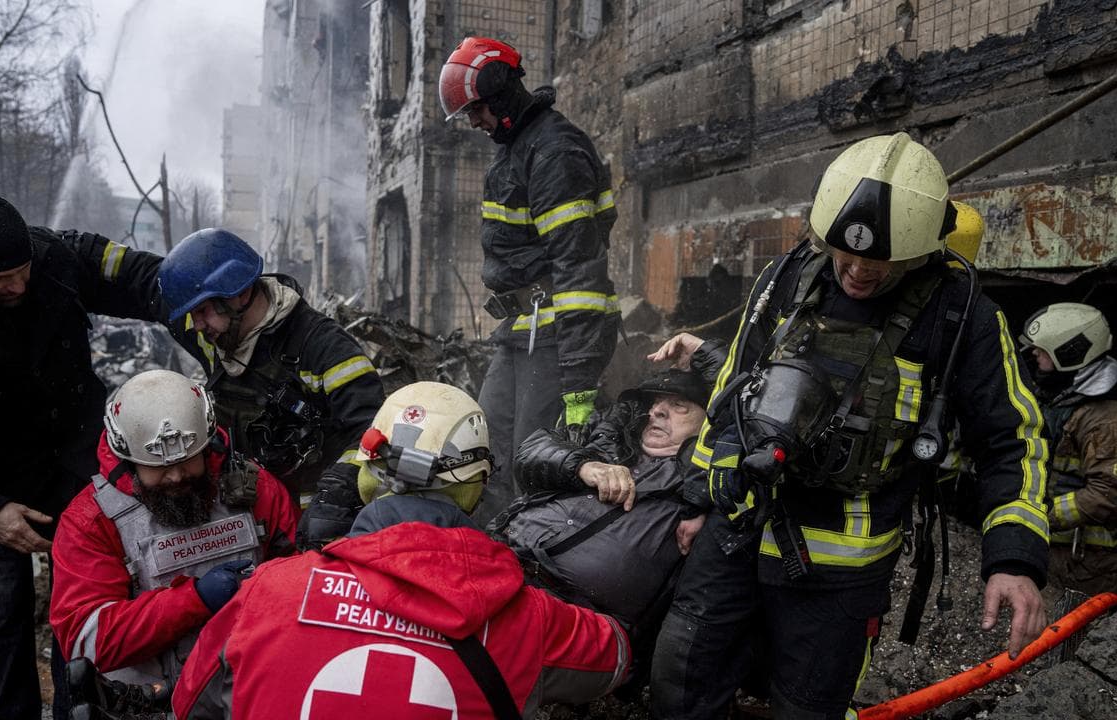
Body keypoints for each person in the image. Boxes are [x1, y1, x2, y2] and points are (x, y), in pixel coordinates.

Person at [649, 133, 1051, 719]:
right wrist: (699, 500)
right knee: (681, 681)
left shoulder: (962, 318)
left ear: (919, 248)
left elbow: (1011, 441)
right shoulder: (786, 277)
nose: (857, 270)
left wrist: (1013, 559)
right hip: (737, 534)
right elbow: (734, 392)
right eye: (844, 253)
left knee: (808, 707)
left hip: (839, 573)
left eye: (877, 260)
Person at [171, 382, 630, 719]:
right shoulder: (530, 617)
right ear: (477, 485)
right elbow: (616, 656)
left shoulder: (268, 591)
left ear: (366, 474)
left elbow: (190, 704)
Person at [66, 227, 386, 550]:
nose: (196, 326)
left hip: (310, 519)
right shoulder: (211, 330)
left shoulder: (323, 348)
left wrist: (335, 494)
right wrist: (70, 246)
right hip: (247, 509)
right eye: (191, 314)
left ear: (240, 294)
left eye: (202, 311)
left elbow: (373, 428)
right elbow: (143, 277)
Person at [0, 189, 127, 720]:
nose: (19, 286)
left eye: (23, 270)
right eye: (0, 280)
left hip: (70, 465)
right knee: (5, 605)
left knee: (77, 603)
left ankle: (75, 710)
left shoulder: (54, 258)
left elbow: (139, 280)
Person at [438, 36, 620, 521]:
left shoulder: (555, 152)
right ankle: (479, 560)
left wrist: (579, 381)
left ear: (499, 94)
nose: (474, 123)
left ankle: (528, 576)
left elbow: (580, 270)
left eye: (476, 111)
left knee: (529, 467)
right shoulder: (517, 148)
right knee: (481, 455)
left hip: (556, 335)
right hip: (520, 333)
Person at [49, 369, 298, 693]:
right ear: (128, 459)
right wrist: (194, 600)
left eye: (188, 460)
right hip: (149, 704)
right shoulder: (92, 521)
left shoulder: (256, 490)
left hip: (252, 687)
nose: (176, 476)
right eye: (159, 466)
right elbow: (87, 642)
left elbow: (303, 584)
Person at [497, 340, 723, 626]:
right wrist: (583, 465)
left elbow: (748, 413)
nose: (657, 412)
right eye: (655, 403)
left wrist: (706, 354)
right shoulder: (611, 436)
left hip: (573, 615)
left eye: (679, 405)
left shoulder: (704, 483)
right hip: (504, 561)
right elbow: (530, 453)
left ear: (709, 423)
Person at [1021, 302, 1117, 598]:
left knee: (1080, 642)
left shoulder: (1109, 419)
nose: (1034, 354)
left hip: (1087, 565)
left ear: (1070, 353)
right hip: (1049, 552)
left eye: (1043, 349)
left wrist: (1040, 514)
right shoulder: (1059, 402)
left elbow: (1110, 495)